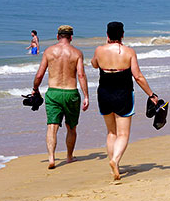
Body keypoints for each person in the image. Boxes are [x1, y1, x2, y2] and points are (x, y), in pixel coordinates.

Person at [91, 22, 160, 181]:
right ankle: (115, 160)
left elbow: (95, 65)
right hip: (123, 94)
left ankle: (114, 165)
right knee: (123, 133)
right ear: (122, 35)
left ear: (107, 35)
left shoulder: (99, 50)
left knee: (111, 132)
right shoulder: (129, 52)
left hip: (104, 94)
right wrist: (151, 94)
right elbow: (138, 76)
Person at [31, 25, 89, 170]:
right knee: (71, 127)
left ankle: (51, 158)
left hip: (53, 92)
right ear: (71, 37)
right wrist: (86, 96)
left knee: (52, 126)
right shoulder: (77, 53)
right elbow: (81, 75)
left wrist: (35, 89)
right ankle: (69, 157)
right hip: (71, 93)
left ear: (57, 36)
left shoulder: (49, 51)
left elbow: (39, 74)